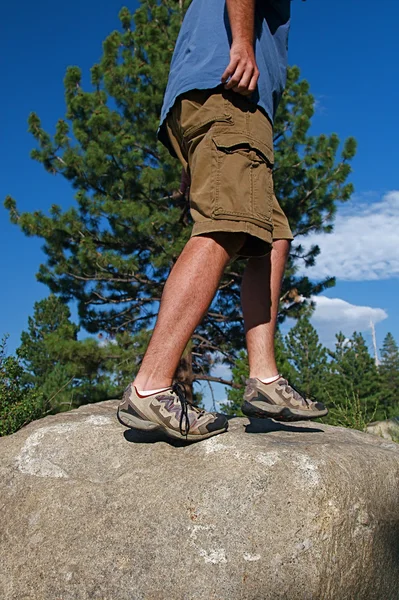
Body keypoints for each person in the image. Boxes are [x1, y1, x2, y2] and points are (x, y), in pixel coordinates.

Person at [117, 0, 327, 441]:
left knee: (273, 235)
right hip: (231, 92)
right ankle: (151, 384)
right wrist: (245, 45)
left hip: (221, 100)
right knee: (226, 223)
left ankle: (265, 380)